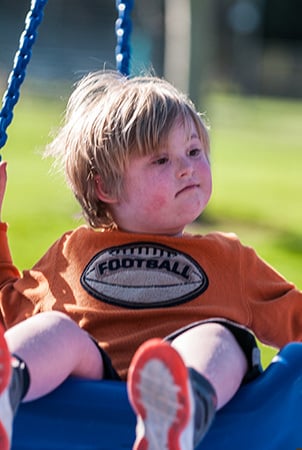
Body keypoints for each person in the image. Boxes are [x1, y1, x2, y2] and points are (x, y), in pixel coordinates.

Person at [0, 70, 301, 450]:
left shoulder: (229, 258)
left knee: (216, 337)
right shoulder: (71, 252)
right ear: (105, 186)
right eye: (160, 160)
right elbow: (10, 307)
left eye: (193, 151)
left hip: (199, 401)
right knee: (55, 331)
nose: (187, 167)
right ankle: (8, 384)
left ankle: (177, 412)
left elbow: (295, 319)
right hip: (95, 385)